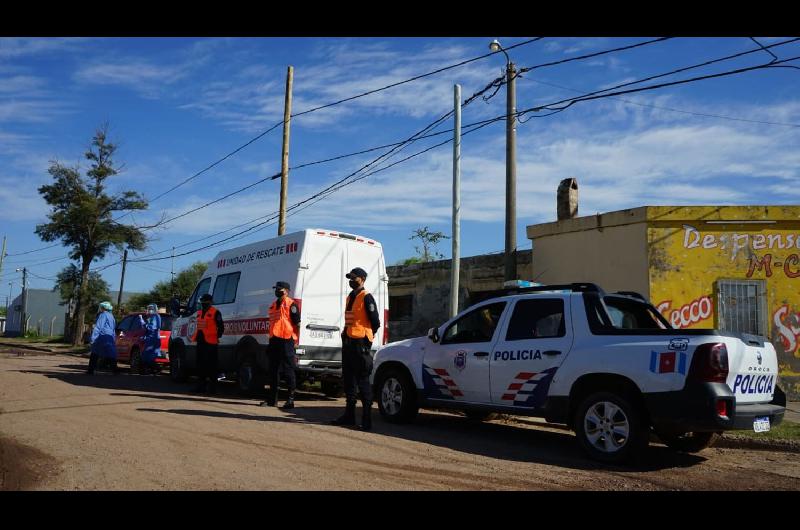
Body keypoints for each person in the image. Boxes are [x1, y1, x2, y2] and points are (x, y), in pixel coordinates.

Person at [331, 267, 381, 431]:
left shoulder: (367, 297)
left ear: (362, 279)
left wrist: (367, 339)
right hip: (349, 343)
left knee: (363, 381)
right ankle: (349, 416)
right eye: (350, 278)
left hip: (361, 344)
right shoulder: (350, 297)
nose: (351, 280)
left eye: (354, 278)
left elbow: (376, 322)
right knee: (349, 380)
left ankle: (366, 420)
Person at [260, 281, 301, 409]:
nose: (277, 291)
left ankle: (290, 400)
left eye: (280, 289)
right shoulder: (273, 305)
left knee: (289, 370)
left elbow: (297, 324)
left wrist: (296, 341)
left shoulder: (291, 304)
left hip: (286, 340)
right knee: (273, 370)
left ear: (286, 291)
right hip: (274, 340)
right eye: (276, 289)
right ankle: (273, 400)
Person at [191, 293, 224, 394]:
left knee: (211, 366)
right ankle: (201, 387)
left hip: (211, 343)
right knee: (200, 365)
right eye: (202, 302)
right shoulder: (200, 313)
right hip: (201, 342)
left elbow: (221, 327)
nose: (203, 304)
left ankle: (212, 389)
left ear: (209, 302)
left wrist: (216, 336)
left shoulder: (215, 312)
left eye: (205, 302)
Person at [86, 301, 118, 375]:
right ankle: (115, 370)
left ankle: (90, 370)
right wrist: (113, 338)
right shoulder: (111, 315)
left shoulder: (103, 315)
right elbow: (113, 328)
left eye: (101, 307)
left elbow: (98, 327)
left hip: (102, 336)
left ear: (103, 307)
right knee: (111, 353)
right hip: (109, 337)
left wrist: (93, 338)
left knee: (95, 352)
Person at [138, 304, 162, 375]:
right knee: (147, 356)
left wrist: (143, 322)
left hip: (152, 339)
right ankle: (150, 370)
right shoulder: (152, 317)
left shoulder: (155, 317)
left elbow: (151, 328)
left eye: (150, 309)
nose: (148, 310)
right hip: (151, 339)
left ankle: (155, 369)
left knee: (149, 356)